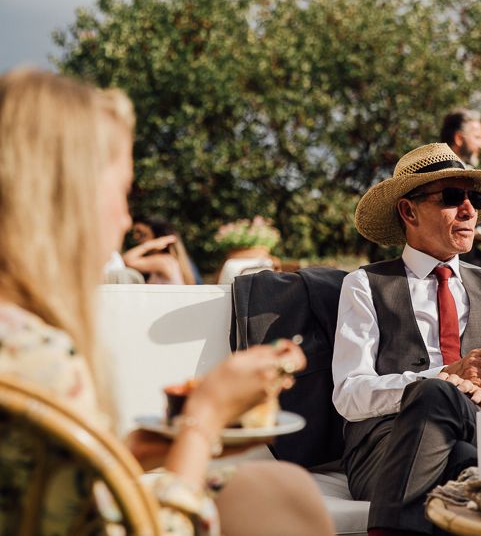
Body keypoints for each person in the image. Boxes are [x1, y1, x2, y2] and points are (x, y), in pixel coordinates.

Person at [0, 68, 334, 536]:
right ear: (66, 198)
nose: (124, 219)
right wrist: (205, 416)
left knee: (279, 489)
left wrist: (133, 450)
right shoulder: (38, 360)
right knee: (284, 499)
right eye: (122, 192)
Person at [332, 142, 481, 536]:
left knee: (476, 453)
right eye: (451, 197)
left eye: (474, 198)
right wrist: (443, 377)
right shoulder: (365, 285)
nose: (469, 211)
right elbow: (348, 393)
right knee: (437, 400)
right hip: (389, 447)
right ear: (408, 210)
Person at [123, 217, 200, 284]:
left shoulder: (162, 261)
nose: (135, 237)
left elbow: (127, 260)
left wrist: (150, 244)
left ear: (158, 237)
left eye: (142, 234)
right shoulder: (171, 260)